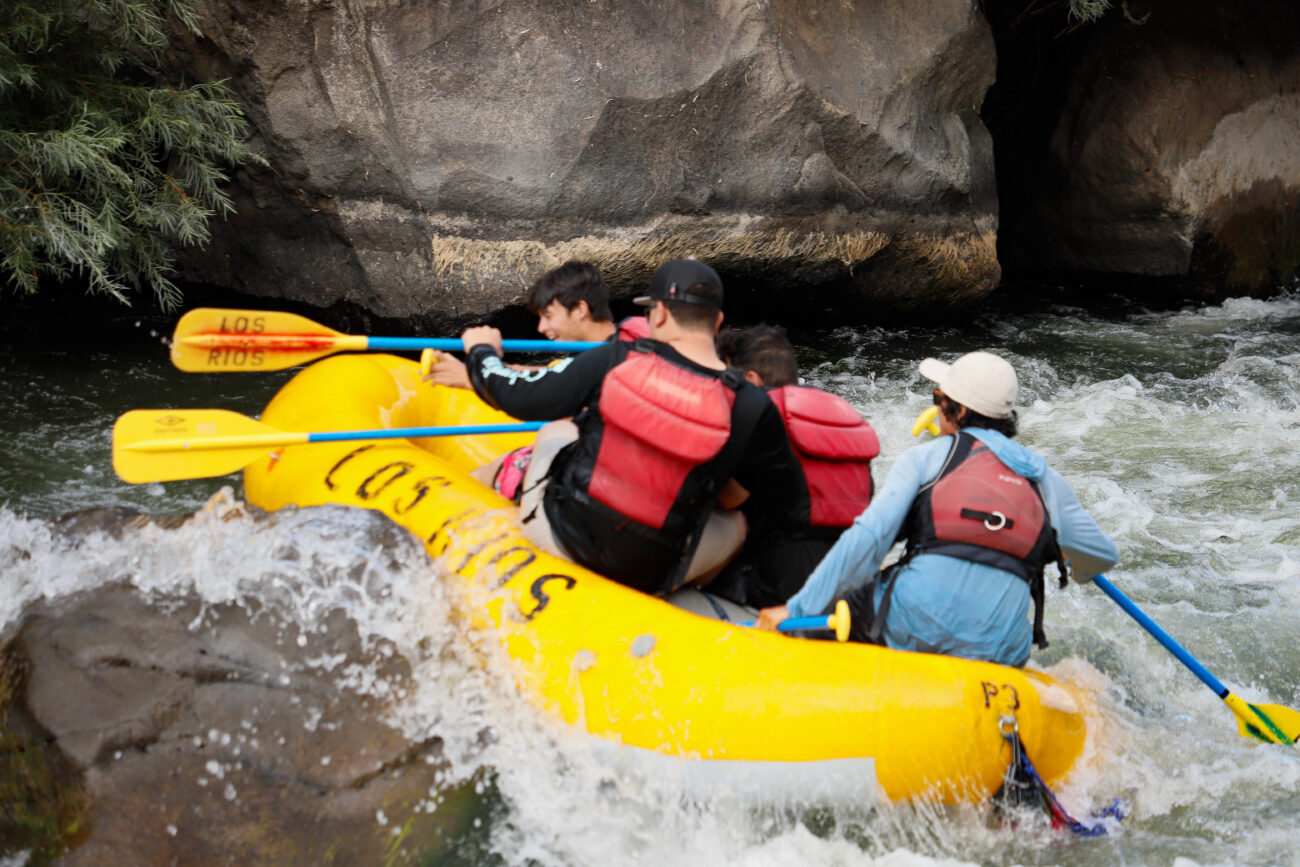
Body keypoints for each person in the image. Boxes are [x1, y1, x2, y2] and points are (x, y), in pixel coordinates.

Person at [458, 259, 803, 594]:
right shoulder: (751, 404)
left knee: (558, 432)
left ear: (660, 314)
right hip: (651, 571)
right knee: (739, 524)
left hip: (564, 538)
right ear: (717, 323)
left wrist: (482, 353)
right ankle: (697, 599)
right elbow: (782, 498)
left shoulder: (616, 358)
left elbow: (519, 398)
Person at [757, 350, 1118, 667]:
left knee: (836, 612)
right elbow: (1102, 555)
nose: (936, 406)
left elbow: (869, 540)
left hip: (913, 623)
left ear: (957, 410)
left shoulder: (927, 457)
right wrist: (1074, 562)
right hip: (1000, 646)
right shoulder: (1044, 478)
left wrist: (798, 608)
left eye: (938, 397)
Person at [708, 325, 880, 607]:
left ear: (751, 378)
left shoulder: (758, 413)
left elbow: (727, 500)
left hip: (781, 581)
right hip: (852, 582)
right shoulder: (839, 411)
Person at [423, 260, 648, 389]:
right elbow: (548, 375)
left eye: (549, 316)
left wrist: (482, 353)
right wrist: (469, 370)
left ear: (580, 310)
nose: (540, 328)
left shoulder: (606, 361)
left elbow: (533, 394)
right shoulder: (623, 344)